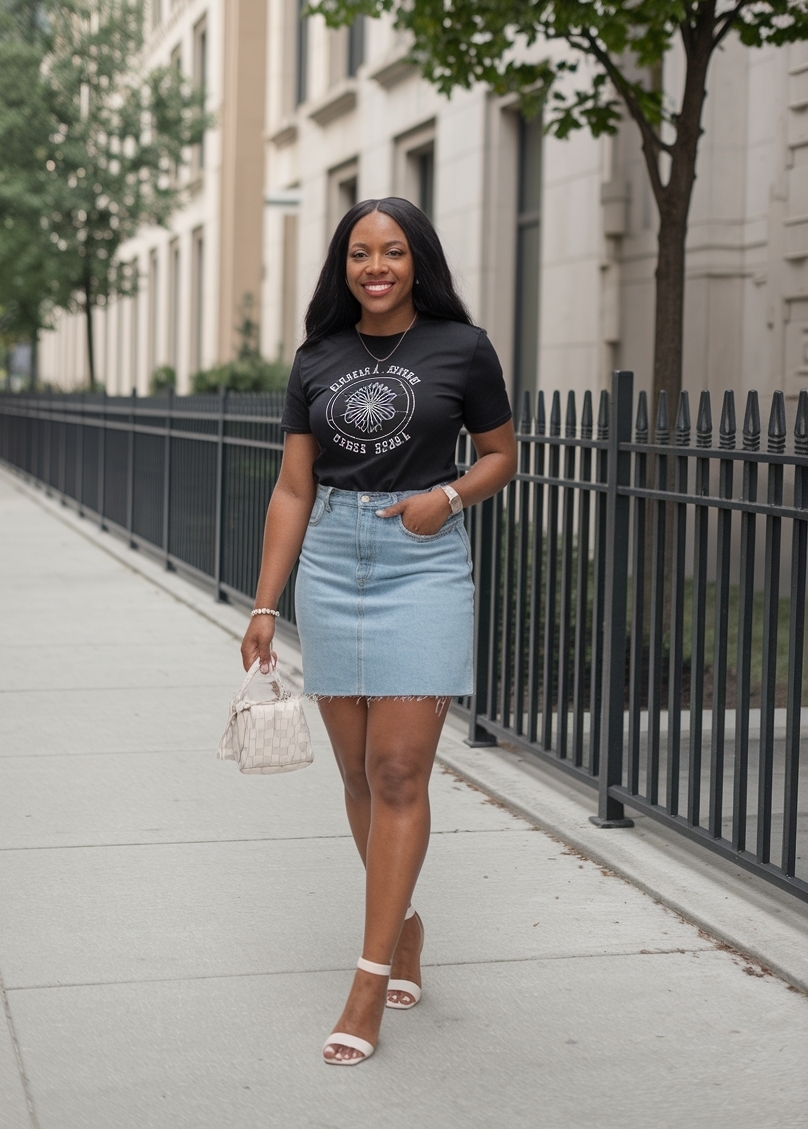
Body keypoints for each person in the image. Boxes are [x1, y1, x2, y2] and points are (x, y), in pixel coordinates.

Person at [241, 197, 516, 1065]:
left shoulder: (463, 349)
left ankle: (366, 983)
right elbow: (293, 487)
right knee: (359, 773)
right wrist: (262, 603)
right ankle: (403, 925)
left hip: (421, 558)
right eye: (360, 253)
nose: (376, 266)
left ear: (416, 259)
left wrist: (450, 496)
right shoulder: (316, 358)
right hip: (331, 557)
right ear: (344, 266)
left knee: (400, 770)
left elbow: (503, 454)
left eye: (392, 251)